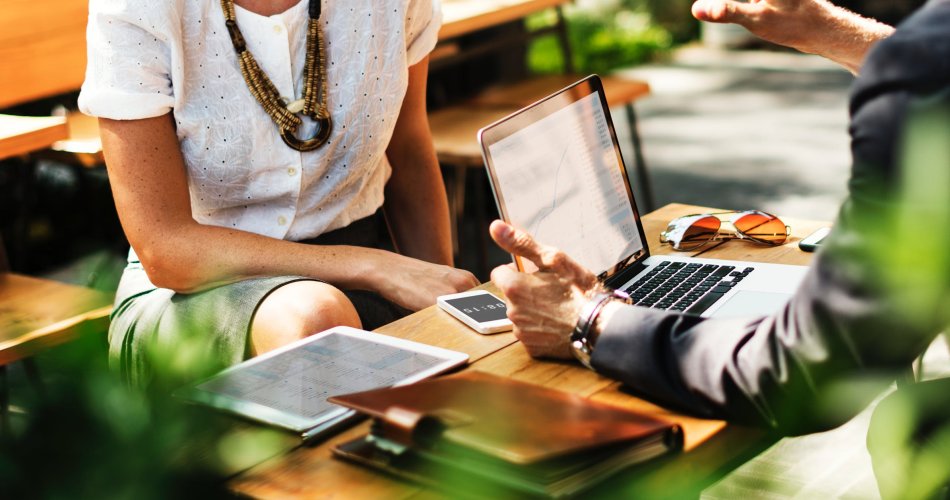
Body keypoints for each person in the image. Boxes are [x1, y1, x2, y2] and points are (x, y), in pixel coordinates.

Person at [490, 0, 950, 434]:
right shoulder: (924, 66)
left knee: (906, 430)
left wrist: (588, 318)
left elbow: (802, 372)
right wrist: (828, 30)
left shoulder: (917, 84)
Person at [79, 0, 479, 384]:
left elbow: (408, 147)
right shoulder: (136, 7)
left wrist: (443, 302)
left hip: (370, 274)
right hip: (196, 291)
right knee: (317, 322)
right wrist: (373, 267)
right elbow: (165, 249)